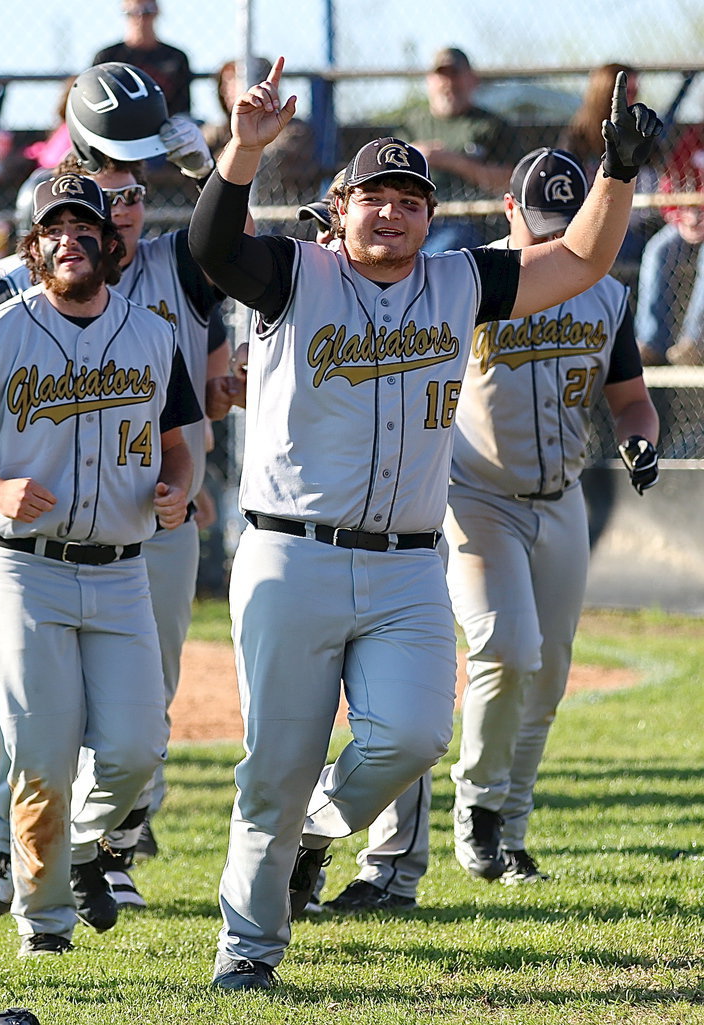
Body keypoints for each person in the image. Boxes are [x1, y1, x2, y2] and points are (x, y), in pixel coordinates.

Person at [188, 60, 661, 990]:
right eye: (376, 197)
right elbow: (212, 246)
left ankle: (321, 832)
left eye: (411, 199)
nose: (393, 213)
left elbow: (583, 262)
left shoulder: (459, 283)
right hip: (292, 554)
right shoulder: (295, 273)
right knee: (275, 766)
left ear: (431, 217)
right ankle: (248, 951)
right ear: (341, 204)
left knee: (411, 737)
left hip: (409, 562)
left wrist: (619, 175)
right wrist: (243, 149)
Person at [319, 148, 660, 914]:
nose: (553, 240)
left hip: (561, 497)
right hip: (475, 497)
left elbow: (630, 397)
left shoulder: (603, 292)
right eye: (541, 224)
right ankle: (475, 806)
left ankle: (508, 822)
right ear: (509, 211)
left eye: (568, 227)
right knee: (507, 645)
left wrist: (642, 434)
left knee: (548, 674)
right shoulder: (471, 280)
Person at [0, 172, 201, 956]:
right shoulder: (0, 331)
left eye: (85, 228)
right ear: (33, 248)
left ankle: (79, 849)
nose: (70, 240)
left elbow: (179, 448)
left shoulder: (151, 332)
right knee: (39, 752)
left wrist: (178, 490)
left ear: (109, 243)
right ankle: (43, 924)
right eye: (54, 230)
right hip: (23, 568)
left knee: (137, 750)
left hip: (121, 567)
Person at [0, 72, 226, 917]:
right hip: (36, 525)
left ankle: (107, 851)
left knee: (143, 705)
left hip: (151, 514)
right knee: (34, 707)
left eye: (134, 195)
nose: (122, 213)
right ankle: (10, 844)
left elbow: (231, 241)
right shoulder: (16, 281)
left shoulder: (179, 263)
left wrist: (211, 171)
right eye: (102, 196)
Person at [392, 46, 518, 252]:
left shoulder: (489, 125)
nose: (448, 83)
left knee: (446, 248)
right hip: (415, 217)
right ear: (429, 81)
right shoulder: (411, 126)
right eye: (441, 75)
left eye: (455, 74)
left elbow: (510, 180)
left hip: (472, 221)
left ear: (472, 79)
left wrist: (452, 161)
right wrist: (415, 156)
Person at [559, 63, 657, 267]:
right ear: (607, 94)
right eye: (627, 91)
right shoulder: (578, 138)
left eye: (635, 91)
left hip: (634, 225)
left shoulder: (640, 131)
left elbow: (656, 180)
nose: (633, 98)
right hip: (589, 223)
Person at [204, 57, 319, 205]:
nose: (225, 90)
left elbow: (266, 162)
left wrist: (227, 154)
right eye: (224, 83)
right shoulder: (222, 130)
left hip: (282, 210)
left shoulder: (294, 131)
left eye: (234, 80)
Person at [634, 126, 704, 365]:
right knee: (657, 250)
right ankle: (651, 342)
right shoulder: (693, 138)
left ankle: (694, 343)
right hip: (687, 222)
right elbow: (668, 188)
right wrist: (682, 217)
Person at [92, 1, 192, 117]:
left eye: (147, 11)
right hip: (119, 124)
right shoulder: (108, 57)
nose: (140, 18)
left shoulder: (175, 57)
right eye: (132, 12)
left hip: (165, 124)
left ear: (157, 12)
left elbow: (183, 108)